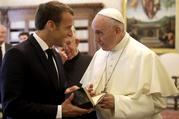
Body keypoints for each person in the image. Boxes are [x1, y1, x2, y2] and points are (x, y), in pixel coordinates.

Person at [80, 8, 178, 119]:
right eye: (94, 32)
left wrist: (118, 103)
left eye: (100, 33)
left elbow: (159, 102)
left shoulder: (145, 56)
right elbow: (89, 89)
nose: (96, 39)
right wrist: (87, 95)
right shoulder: (99, 54)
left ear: (117, 30)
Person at [0, 1, 90, 119]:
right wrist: (59, 111)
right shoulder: (17, 54)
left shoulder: (56, 55)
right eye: (67, 28)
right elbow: (11, 106)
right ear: (51, 25)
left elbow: (49, 95)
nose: (69, 33)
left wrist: (70, 93)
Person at [59, 27, 96, 119]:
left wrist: (80, 94)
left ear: (77, 42)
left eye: (68, 43)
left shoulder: (91, 61)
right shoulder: (54, 64)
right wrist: (60, 64)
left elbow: (96, 93)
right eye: (61, 45)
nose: (65, 48)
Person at [0, 24, 12, 103]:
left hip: (7, 85)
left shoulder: (11, 48)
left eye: (3, 32)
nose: (1, 35)